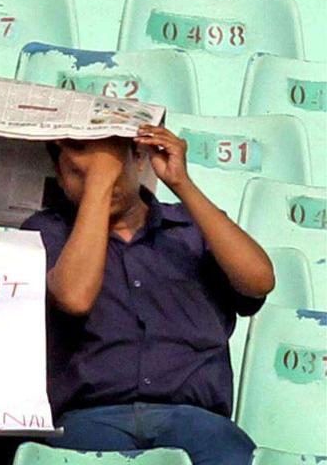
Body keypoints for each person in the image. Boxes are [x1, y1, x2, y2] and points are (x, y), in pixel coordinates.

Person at [21, 125, 275, 465]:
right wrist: (99, 179)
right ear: (60, 178)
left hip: (195, 421)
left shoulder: (192, 227)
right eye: (78, 172)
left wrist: (181, 184)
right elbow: (74, 296)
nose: (100, 180)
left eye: (112, 167)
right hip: (88, 421)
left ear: (137, 157)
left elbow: (259, 281)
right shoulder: (48, 231)